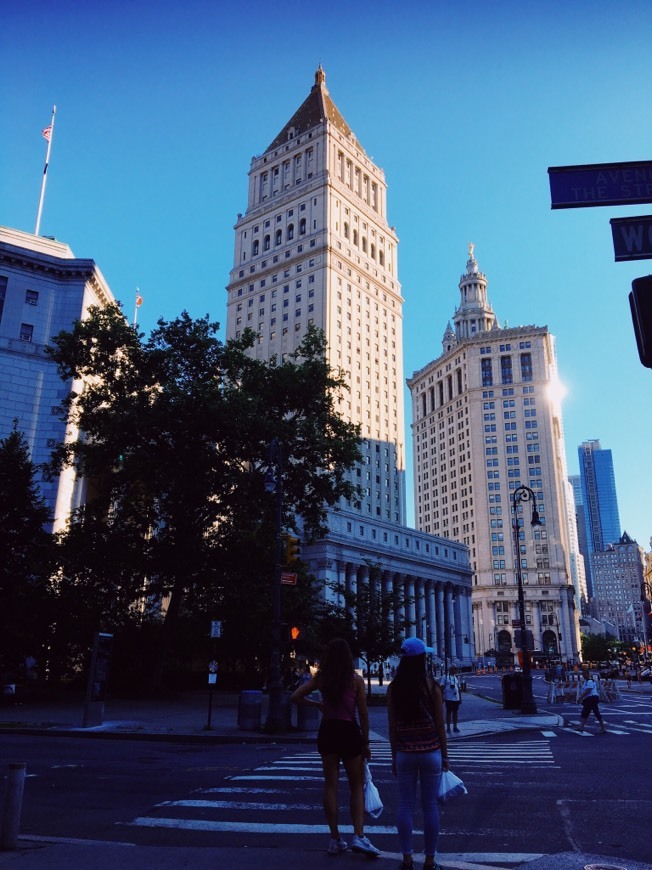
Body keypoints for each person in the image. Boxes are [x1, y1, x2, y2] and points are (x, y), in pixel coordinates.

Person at [291, 638, 380, 858]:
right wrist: (366, 742)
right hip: (349, 731)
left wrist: (318, 705)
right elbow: (364, 714)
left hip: (328, 730)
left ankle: (335, 839)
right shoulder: (355, 680)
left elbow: (295, 697)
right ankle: (359, 835)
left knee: (330, 784)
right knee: (356, 785)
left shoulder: (321, 679)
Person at [387, 637, 449, 870]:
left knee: (405, 805)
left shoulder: (394, 688)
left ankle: (406, 859)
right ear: (422, 659)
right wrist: (445, 755)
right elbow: (440, 724)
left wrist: (394, 756)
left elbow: (392, 727)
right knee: (430, 806)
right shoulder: (431, 686)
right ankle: (430, 860)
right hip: (431, 750)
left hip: (404, 751)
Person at [576, 668, 606, 734]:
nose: (584, 675)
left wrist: (581, 698)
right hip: (589, 698)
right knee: (586, 712)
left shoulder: (590, 681)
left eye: (585, 674)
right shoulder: (586, 681)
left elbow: (588, 690)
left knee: (594, 712)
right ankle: (581, 727)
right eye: (583, 674)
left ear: (588, 674)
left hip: (592, 698)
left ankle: (603, 728)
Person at [440, 666, 462, 733]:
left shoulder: (456, 677)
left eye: (456, 669)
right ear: (450, 669)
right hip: (448, 698)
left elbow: (459, 688)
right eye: (454, 669)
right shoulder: (445, 677)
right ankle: (448, 727)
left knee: (455, 712)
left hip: (456, 698)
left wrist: (460, 698)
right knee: (449, 712)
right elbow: (442, 687)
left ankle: (455, 726)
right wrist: (442, 696)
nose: (455, 670)